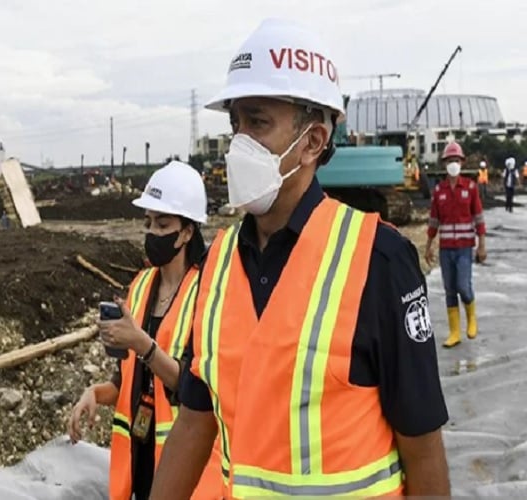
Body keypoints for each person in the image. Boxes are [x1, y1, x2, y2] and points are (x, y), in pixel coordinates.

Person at [150, 18, 450, 499]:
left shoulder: (379, 260)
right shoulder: (216, 266)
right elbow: (195, 420)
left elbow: (423, 451)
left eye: (257, 122)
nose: (238, 142)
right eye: (235, 124)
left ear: (312, 141)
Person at [68, 161, 222, 500]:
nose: (152, 232)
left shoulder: (208, 294)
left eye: (163, 224)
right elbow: (126, 382)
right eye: (148, 222)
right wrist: (95, 393)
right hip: (140, 463)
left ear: (187, 232)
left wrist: (143, 344)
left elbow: (194, 387)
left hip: (187, 470)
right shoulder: (140, 286)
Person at [425, 141, 486, 348]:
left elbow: (478, 218)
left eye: (456, 160)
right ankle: (454, 333)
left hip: (464, 248)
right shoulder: (439, 191)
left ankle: (471, 318)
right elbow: (434, 221)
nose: (453, 163)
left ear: (462, 162)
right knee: (450, 289)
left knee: (463, 286)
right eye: (450, 160)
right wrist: (428, 245)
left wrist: (482, 245)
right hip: (446, 248)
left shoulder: (470, 187)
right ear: (445, 164)